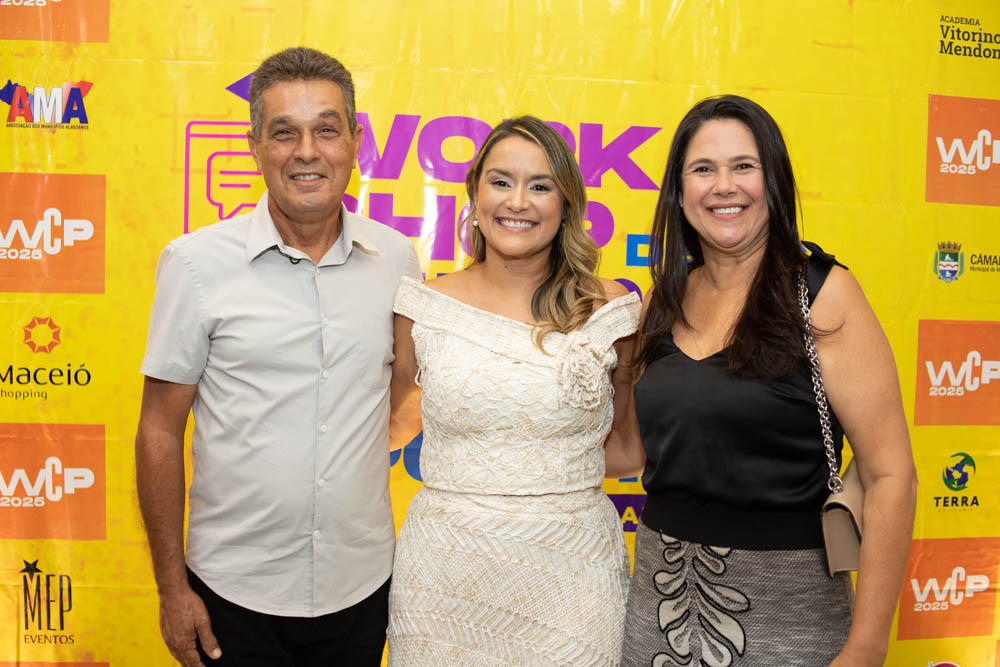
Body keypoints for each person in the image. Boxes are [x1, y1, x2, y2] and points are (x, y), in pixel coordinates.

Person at [606, 95, 917, 666]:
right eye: (703, 169)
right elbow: (630, 452)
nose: (724, 186)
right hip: (657, 613)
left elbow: (890, 475)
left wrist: (867, 647)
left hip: (793, 620)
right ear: (679, 191)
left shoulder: (823, 295)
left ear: (773, 181)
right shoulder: (659, 303)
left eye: (743, 166)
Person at [135, 47, 419, 667]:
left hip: (361, 588)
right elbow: (159, 428)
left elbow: (403, 393)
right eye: (284, 132)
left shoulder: (398, 261)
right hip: (231, 595)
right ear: (255, 147)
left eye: (327, 130)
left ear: (356, 142)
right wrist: (171, 589)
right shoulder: (194, 264)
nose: (307, 151)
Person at [386, 116, 638, 665]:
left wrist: (550, 477)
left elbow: (628, 445)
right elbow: (391, 425)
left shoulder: (611, 310)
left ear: (566, 204)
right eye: (501, 181)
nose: (517, 201)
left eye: (540, 185)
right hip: (444, 576)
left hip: (573, 577)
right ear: (475, 195)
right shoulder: (424, 307)